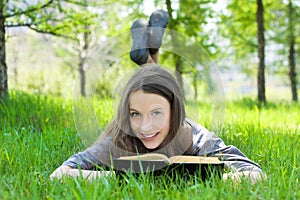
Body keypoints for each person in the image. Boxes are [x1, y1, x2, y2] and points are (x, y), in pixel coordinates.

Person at [50, 10, 266, 183]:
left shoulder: (198, 138)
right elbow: (60, 174)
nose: (145, 127)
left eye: (156, 113)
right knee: (153, 90)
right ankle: (151, 54)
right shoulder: (121, 139)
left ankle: (149, 56)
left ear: (175, 113)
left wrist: (199, 178)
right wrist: (120, 178)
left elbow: (256, 174)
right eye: (135, 114)